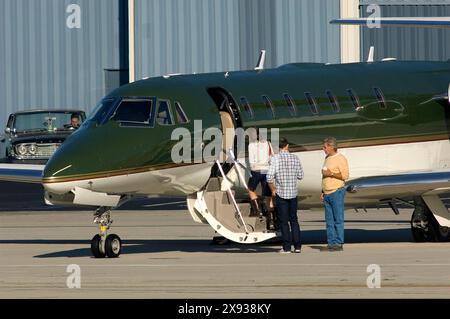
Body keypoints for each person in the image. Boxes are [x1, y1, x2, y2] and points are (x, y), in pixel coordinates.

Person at [266, 137, 304, 254]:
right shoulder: (295, 158)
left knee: (283, 222)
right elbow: (300, 175)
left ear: (279, 147)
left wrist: (273, 189)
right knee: (294, 220)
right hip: (293, 193)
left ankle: (287, 247)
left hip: (281, 193)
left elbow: (269, 177)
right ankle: (297, 246)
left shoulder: (275, 159)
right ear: (287, 145)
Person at [320, 137, 349, 252]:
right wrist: (322, 191)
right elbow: (324, 176)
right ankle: (331, 243)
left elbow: (345, 175)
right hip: (327, 193)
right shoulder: (327, 158)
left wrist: (330, 173)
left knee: (338, 219)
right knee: (329, 220)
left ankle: (338, 243)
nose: (323, 149)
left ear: (332, 147)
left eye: (325, 147)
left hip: (336, 192)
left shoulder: (340, 158)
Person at [247, 128, 274, 229]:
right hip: (266, 170)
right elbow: (272, 157)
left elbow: (251, 160)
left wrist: (254, 168)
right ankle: (271, 219)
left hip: (257, 170)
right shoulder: (268, 144)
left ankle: (258, 210)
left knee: (250, 189)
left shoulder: (252, 145)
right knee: (268, 195)